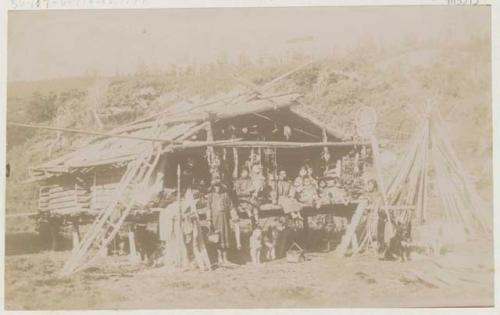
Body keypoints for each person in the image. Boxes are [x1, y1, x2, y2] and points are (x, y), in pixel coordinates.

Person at [207, 179, 239, 266]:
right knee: (217, 238)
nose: (217, 187)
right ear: (213, 187)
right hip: (215, 220)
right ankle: (219, 258)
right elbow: (208, 209)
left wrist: (234, 216)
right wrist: (209, 220)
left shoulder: (225, 195)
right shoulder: (210, 196)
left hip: (224, 220)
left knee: (225, 237)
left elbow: (231, 207)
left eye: (218, 185)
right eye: (215, 186)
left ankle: (225, 259)